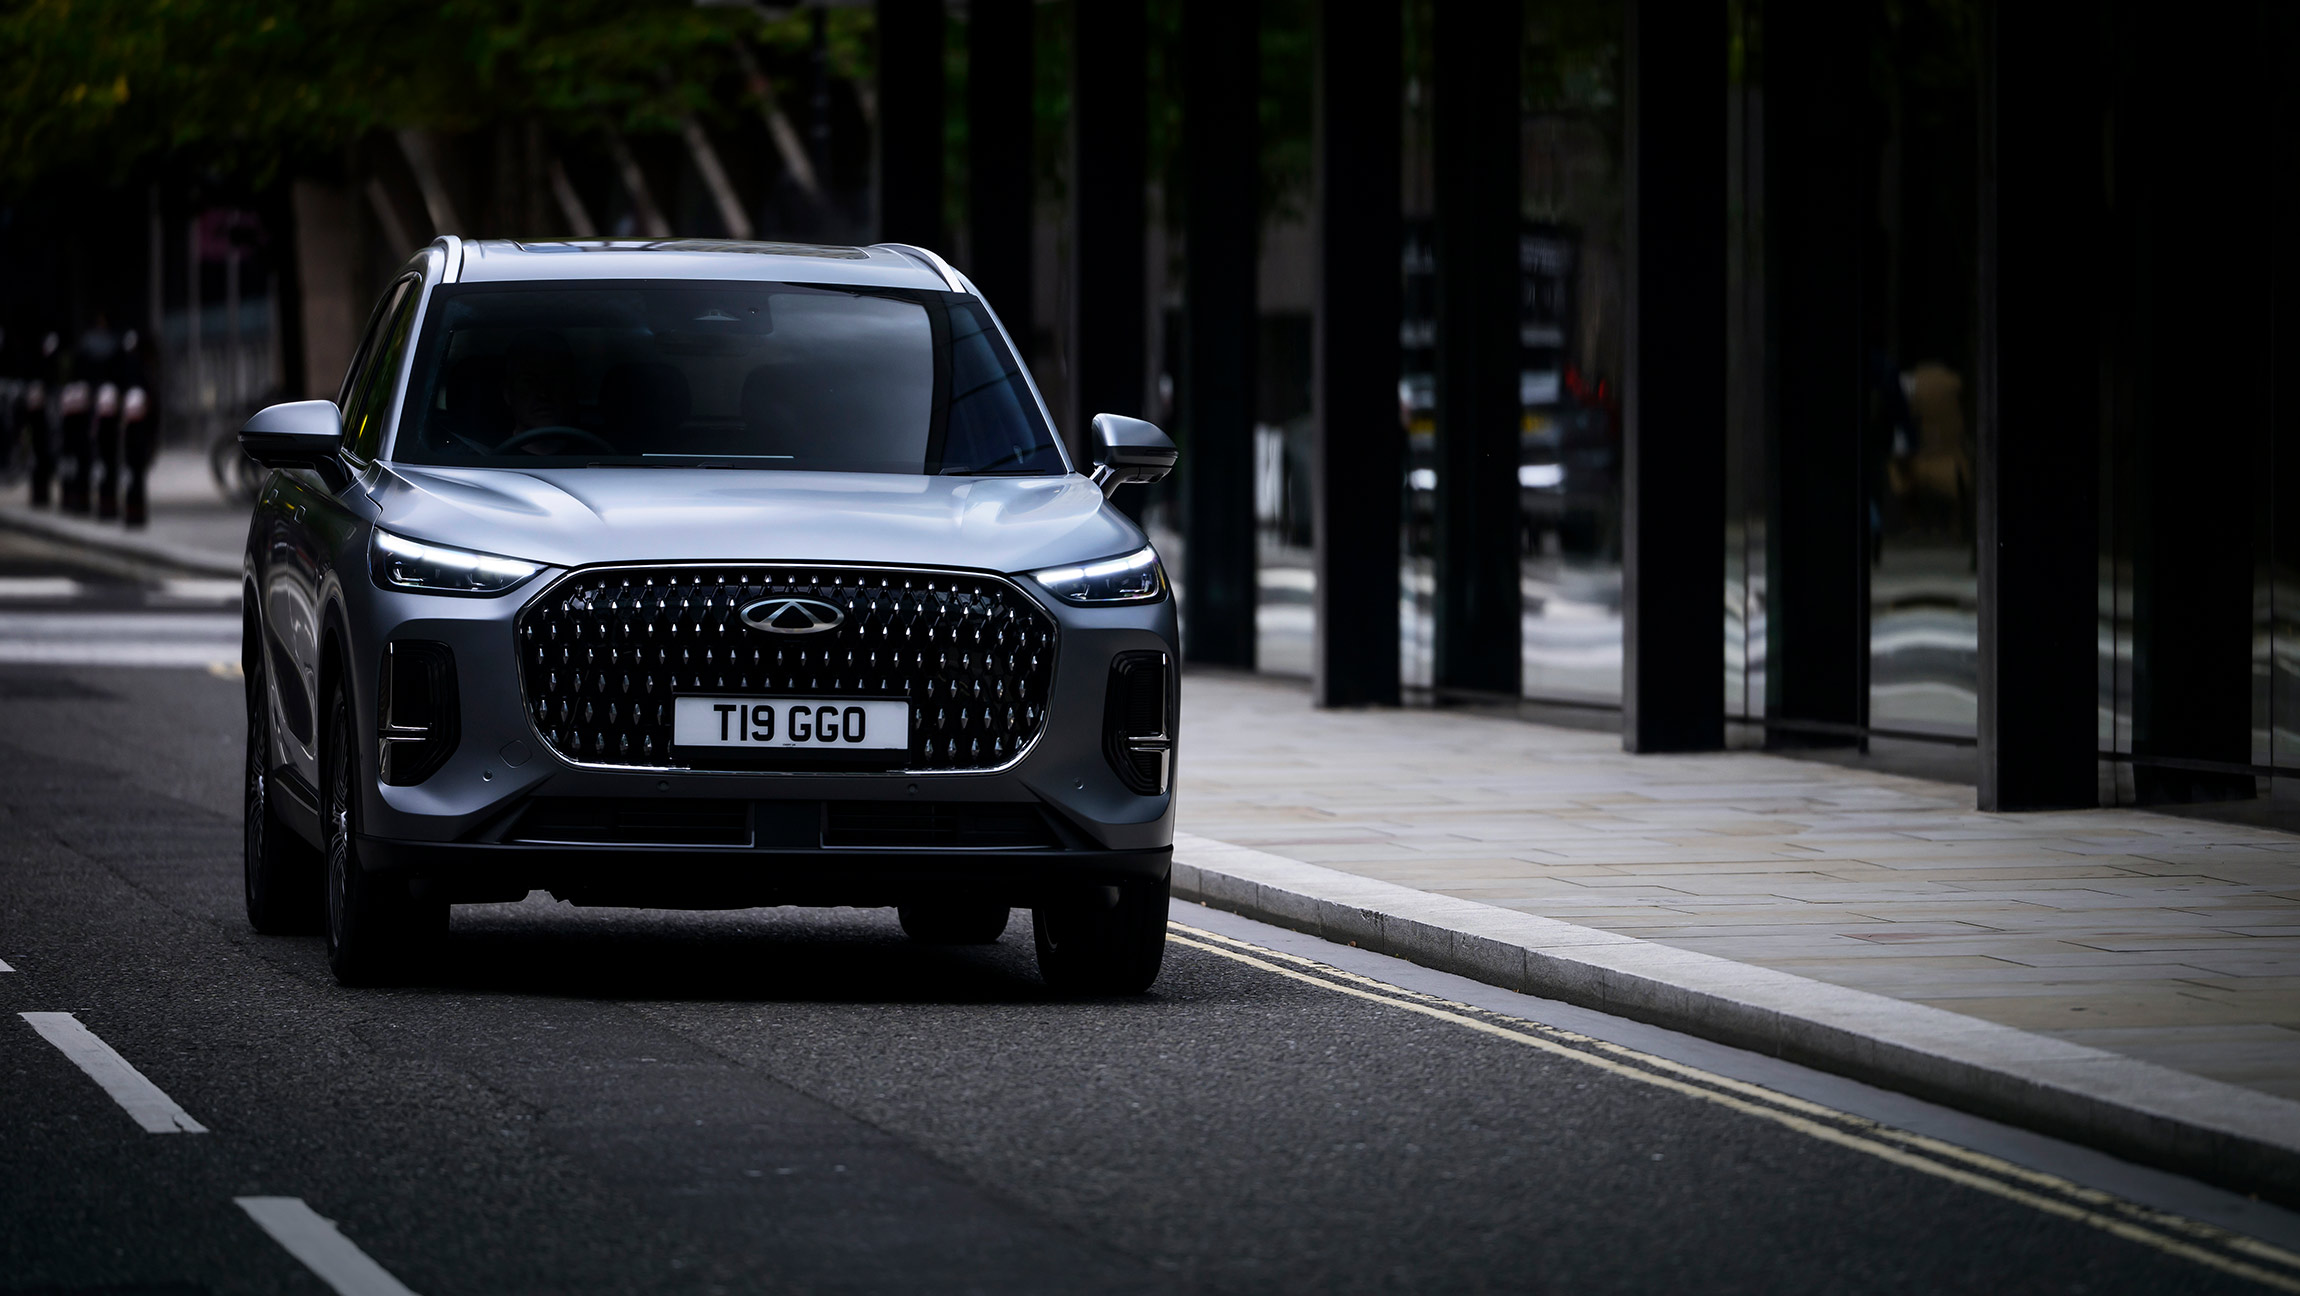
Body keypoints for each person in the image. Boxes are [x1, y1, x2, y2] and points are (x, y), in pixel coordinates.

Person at [115, 327, 160, 527]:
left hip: (136, 434)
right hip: (137, 434)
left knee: (134, 472)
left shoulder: (131, 374)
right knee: (135, 473)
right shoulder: (142, 374)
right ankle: (135, 513)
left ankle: (134, 513)